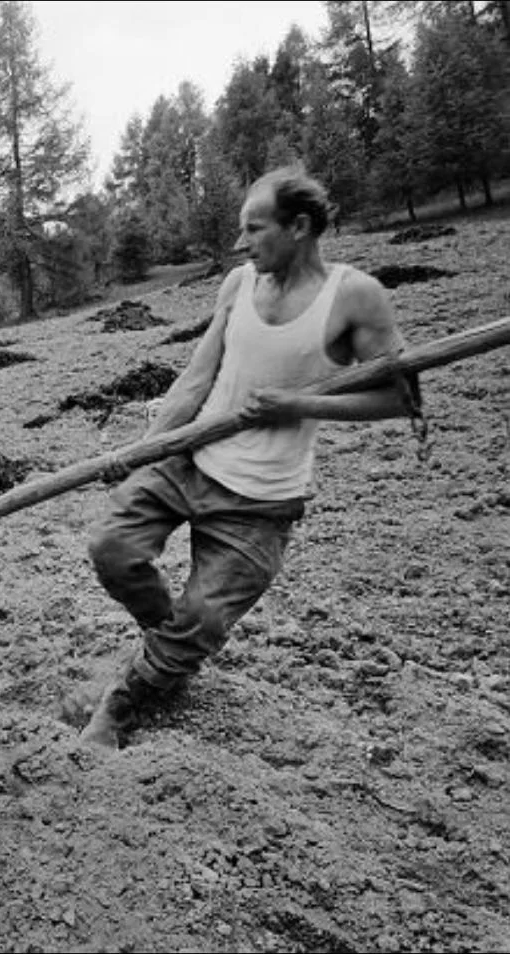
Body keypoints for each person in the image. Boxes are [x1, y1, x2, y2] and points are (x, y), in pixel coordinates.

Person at [77, 164, 417, 750]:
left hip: (261, 500)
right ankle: (169, 648)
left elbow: (402, 397)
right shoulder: (237, 285)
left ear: (301, 227)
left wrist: (299, 404)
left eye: (255, 229)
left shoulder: (354, 296)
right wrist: (142, 450)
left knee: (205, 620)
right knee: (112, 547)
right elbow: (195, 378)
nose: (240, 244)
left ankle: (126, 699)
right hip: (190, 458)